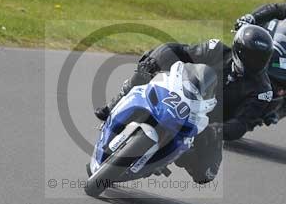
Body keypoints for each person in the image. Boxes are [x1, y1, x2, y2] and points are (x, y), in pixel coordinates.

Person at [94, 25, 275, 183]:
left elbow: (243, 123)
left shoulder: (263, 90)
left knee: (206, 174)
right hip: (184, 95)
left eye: (261, 59)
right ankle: (113, 106)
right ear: (239, 51)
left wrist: (220, 129)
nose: (256, 64)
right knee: (145, 71)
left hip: (208, 123)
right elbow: (179, 50)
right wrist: (154, 61)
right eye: (252, 58)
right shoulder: (216, 50)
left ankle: (176, 155)